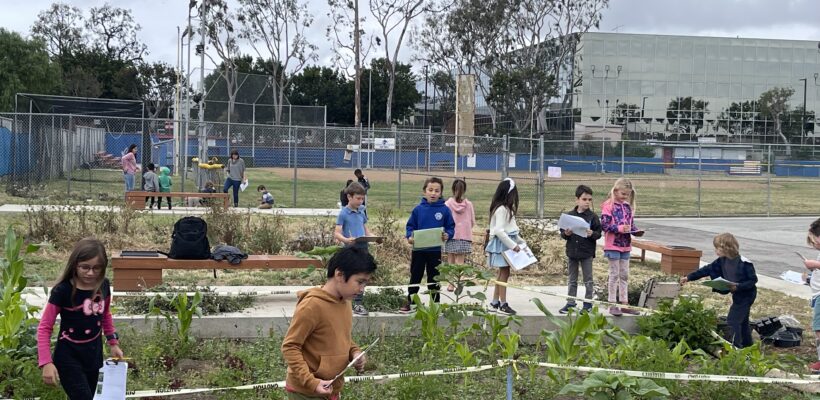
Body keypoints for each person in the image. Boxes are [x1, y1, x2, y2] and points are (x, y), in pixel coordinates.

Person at [281, 246, 376, 400]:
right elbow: (290, 346)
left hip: (330, 388)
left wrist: (355, 352)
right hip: (306, 393)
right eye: (359, 282)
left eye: (365, 284)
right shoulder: (312, 306)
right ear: (339, 274)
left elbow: (339, 336)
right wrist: (312, 383)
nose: (362, 289)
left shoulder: (345, 301)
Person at [37, 238, 124, 399]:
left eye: (96, 268)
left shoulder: (103, 286)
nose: (91, 273)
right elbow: (44, 327)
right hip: (68, 358)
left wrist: (113, 343)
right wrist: (46, 362)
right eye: (85, 267)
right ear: (75, 265)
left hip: (93, 356)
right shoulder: (62, 291)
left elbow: (105, 315)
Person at [680, 233, 757, 348]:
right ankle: (748, 345)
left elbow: (752, 281)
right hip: (736, 293)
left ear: (726, 248)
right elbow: (707, 269)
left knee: (733, 320)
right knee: (743, 320)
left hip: (747, 294)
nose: (715, 250)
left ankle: (736, 347)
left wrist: (738, 286)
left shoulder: (744, 263)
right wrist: (689, 277)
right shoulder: (721, 261)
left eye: (717, 248)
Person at [400, 177, 455, 313]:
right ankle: (411, 302)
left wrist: (447, 235)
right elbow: (410, 227)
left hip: (435, 251)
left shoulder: (445, 210)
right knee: (415, 275)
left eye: (437, 191)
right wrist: (410, 236)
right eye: (430, 190)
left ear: (441, 193)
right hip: (418, 250)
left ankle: (435, 305)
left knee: (434, 277)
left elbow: (450, 227)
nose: (433, 193)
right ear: (424, 191)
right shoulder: (418, 209)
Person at [334, 182, 379, 316]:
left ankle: (358, 303)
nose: (360, 201)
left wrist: (374, 238)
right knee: (350, 274)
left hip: (363, 246)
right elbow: (337, 232)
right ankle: (344, 300)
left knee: (363, 274)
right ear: (349, 197)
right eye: (358, 198)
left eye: (362, 199)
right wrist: (346, 240)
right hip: (351, 248)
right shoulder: (343, 213)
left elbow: (366, 230)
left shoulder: (361, 211)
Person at [600, 177, 642, 316]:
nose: (625, 197)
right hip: (612, 245)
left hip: (626, 245)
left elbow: (631, 224)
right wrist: (618, 228)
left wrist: (636, 231)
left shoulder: (627, 207)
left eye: (628, 195)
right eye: (623, 194)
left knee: (624, 275)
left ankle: (624, 303)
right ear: (616, 191)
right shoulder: (608, 205)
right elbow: (605, 225)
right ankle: (612, 303)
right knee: (614, 275)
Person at [558, 185, 602, 314]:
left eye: (589, 199)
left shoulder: (593, 217)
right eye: (584, 199)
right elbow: (562, 233)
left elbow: (598, 233)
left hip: (586, 252)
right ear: (577, 200)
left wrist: (592, 234)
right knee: (572, 279)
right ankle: (570, 303)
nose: (587, 202)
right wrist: (566, 233)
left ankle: (587, 304)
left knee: (588, 279)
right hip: (572, 252)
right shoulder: (570, 215)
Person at [485, 178, 525, 316]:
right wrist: (513, 246)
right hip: (502, 246)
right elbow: (499, 231)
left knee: (502, 273)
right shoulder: (501, 210)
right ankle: (503, 304)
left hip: (506, 245)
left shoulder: (507, 209)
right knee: (504, 273)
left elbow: (512, 231)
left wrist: (521, 242)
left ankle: (495, 302)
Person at [444, 178, 475, 292]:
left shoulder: (447, 204)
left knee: (451, 261)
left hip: (451, 235)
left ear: (453, 189)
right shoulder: (469, 204)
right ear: (464, 190)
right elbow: (472, 221)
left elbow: (445, 220)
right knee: (460, 262)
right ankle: (460, 283)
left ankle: (451, 284)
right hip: (464, 237)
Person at [803, 218, 820, 373]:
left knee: (819, 328)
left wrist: (815, 265)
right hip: (817, 295)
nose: (814, 245)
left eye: (814, 240)